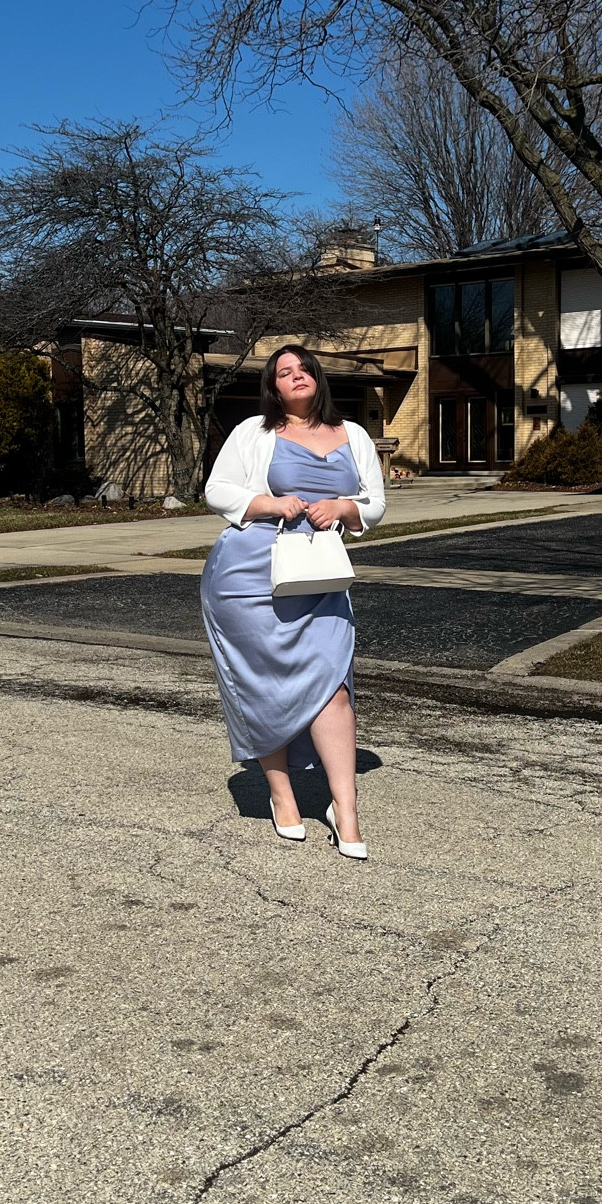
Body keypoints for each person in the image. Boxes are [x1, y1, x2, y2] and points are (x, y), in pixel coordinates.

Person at [201, 344, 388, 859]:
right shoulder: (253, 433)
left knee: (334, 686)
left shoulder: (353, 435)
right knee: (265, 686)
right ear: (275, 387)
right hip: (248, 577)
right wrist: (270, 503)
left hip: (320, 575)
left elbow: (376, 502)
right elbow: (218, 490)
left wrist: (344, 507)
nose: (296, 376)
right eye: (284, 372)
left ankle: (344, 809)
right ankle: (281, 795)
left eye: (304, 368)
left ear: (317, 378)